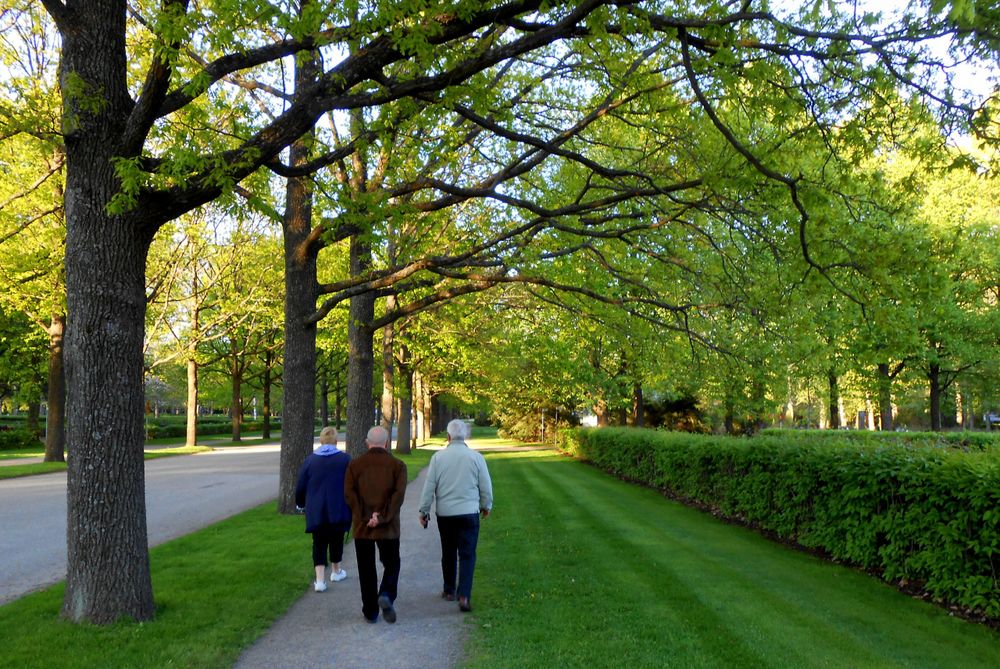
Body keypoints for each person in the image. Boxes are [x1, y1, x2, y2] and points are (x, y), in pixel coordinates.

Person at [418, 419, 493, 613]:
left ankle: (449, 590)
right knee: (467, 554)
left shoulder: (438, 458)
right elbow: (485, 486)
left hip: (446, 514)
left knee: (448, 552)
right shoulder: (476, 458)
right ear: (466, 436)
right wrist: (486, 505)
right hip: (469, 513)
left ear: (448, 436)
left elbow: (429, 487)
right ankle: (464, 595)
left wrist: (424, 510)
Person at [344, 425, 407, 624]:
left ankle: (370, 610)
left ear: (367, 442)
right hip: (388, 528)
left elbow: (350, 494)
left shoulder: (355, 466)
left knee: (366, 568)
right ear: (387, 443)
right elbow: (398, 497)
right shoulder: (398, 466)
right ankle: (386, 593)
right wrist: (382, 517)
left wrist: (365, 517)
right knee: (392, 563)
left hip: (363, 528)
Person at [295, 426, 352, 592]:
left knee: (318, 543)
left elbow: (301, 486)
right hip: (338, 508)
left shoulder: (310, 461)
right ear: (336, 441)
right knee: (336, 539)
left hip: (316, 510)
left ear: (321, 440)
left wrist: (300, 503)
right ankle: (336, 571)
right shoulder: (345, 459)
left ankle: (319, 581)